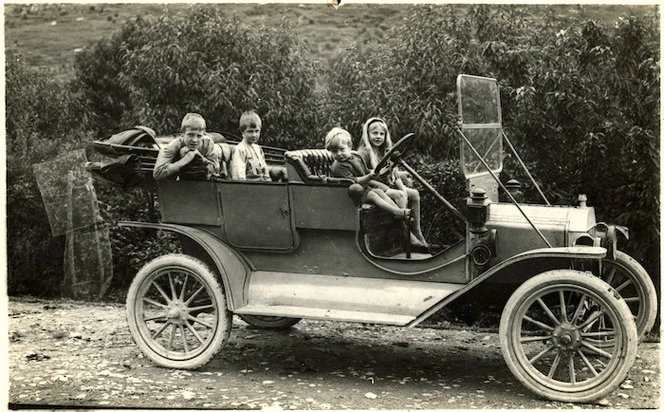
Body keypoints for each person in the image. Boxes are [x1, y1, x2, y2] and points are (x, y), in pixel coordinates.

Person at [358, 117, 429, 248]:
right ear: (367, 135)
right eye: (374, 133)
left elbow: (394, 174)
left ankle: (417, 231)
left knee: (413, 194)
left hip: (386, 185)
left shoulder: (385, 151)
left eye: (382, 134)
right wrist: (400, 192)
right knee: (399, 195)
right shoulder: (364, 153)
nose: (378, 137)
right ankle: (406, 233)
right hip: (373, 186)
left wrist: (402, 189)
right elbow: (364, 176)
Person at [325, 127, 410, 221]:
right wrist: (369, 177)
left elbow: (365, 171)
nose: (339, 154)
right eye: (334, 151)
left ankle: (399, 212)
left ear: (349, 147)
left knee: (379, 192)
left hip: (364, 189)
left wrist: (377, 171)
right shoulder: (339, 166)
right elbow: (354, 181)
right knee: (373, 195)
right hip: (352, 193)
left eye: (342, 149)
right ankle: (395, 212)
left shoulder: (356, 157)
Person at [153, 113, 219, 180]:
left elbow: (215, 170)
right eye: (190, 135)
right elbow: (157, 174)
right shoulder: (173, 146)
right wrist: (185, 160)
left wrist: (198, 155)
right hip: (177, 185)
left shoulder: (207, 143)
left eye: (199, 136)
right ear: (182, 133)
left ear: (203, 134)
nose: (194, 140)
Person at [229, 111, 271, 181]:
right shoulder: (240, 150)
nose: (254, 135)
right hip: (249, 188)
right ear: (242, 132)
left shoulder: (258, 149)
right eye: (250, 131)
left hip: (263, 187)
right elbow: (239, 177)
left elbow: (266, 175)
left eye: (257, 131)